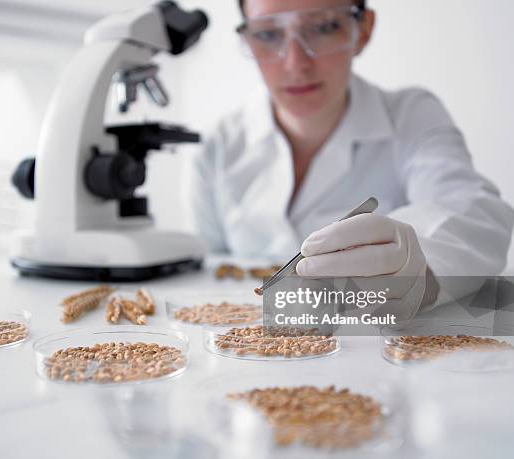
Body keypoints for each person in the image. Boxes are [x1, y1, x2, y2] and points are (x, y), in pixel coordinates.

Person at [185, 0, 514, 317]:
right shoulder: (218, 143)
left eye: (324, 27)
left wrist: (420, 278)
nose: (295, 63)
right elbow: (202, 268)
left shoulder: (410, 116)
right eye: (268, 34)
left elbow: (475, 212)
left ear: (363, 29)